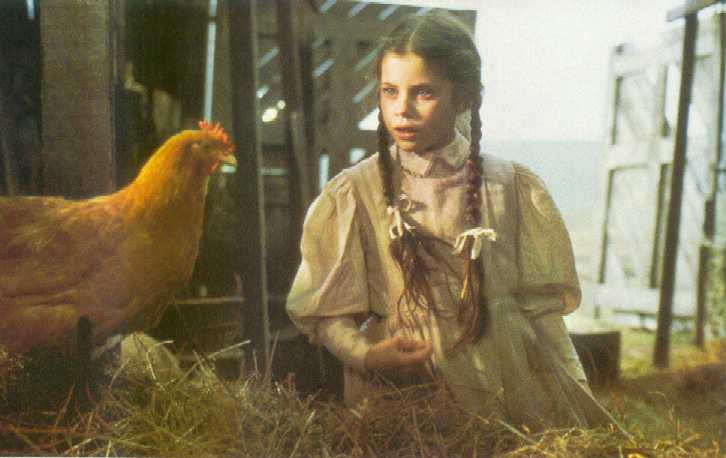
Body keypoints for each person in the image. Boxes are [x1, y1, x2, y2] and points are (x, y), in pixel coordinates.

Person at [287, 11, 618, 430]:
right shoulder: (356, 192)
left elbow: (544, 317)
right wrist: (367, 356)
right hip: (406, 396)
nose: (401, 110)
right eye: (390, 91)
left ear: (462, 97)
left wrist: (579, 395)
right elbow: (327, 312)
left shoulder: (510, 185)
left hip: (508, 392)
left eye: (423, 93)